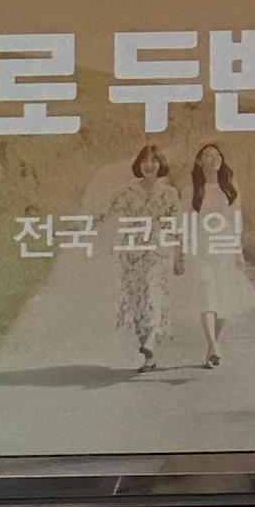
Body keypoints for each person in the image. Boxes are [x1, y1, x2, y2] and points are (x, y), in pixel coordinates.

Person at [185, 140, 250, 370]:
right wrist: (182, 251)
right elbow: (185, 222)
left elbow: (235, 221)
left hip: (224, 248)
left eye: (217, 155)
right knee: (206, 293)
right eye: (208, 155)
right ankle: (212, 345)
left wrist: (238, 251)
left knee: (224, 299)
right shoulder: (192, 190)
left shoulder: (230, 187)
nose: (214, 159)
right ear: (199, 161)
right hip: (200, 249)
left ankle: (213, 344)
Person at [115, 140, 176, 372]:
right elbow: (108, 212)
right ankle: (149, 357)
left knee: (153, 294)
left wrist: (180, 255)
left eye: (154, 161)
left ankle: (150, 340)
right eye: (145, 161)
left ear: (161, 165)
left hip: (157, 251)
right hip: (131, 252)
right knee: (137, 303)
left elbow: (176, 226)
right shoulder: (129, 192)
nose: (149, 165)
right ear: (138, 165)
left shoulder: (169, 193)